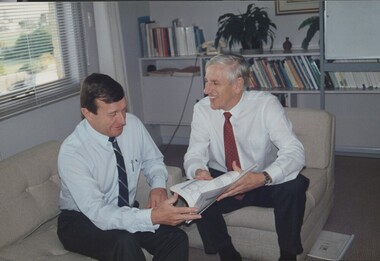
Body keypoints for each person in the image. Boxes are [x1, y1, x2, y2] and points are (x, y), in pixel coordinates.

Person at [57, 73, 201, 261]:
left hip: (124, 209)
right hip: (80, 221)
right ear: (88, 114)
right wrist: (152, 217)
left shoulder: (132, 124)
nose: (123, 120)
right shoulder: (73, 152)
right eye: (113, 114)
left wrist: (158, 186)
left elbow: (153, 160)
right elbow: (98, 212)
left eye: (123, 110)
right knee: (124, 242)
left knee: (176, 238)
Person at [184, 54, 310, 261]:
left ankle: (288, 255)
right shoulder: (202, 109)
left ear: (237, 84)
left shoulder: (265, 105)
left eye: (215, 83)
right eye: (206, 82)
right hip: (223, 180)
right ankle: (227, 252)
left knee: (294, 186)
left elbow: (295, 151)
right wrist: (198, 170)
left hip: (261, 178)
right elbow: (194, 153)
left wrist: (264, 177)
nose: (207, 90)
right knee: (193, 191)